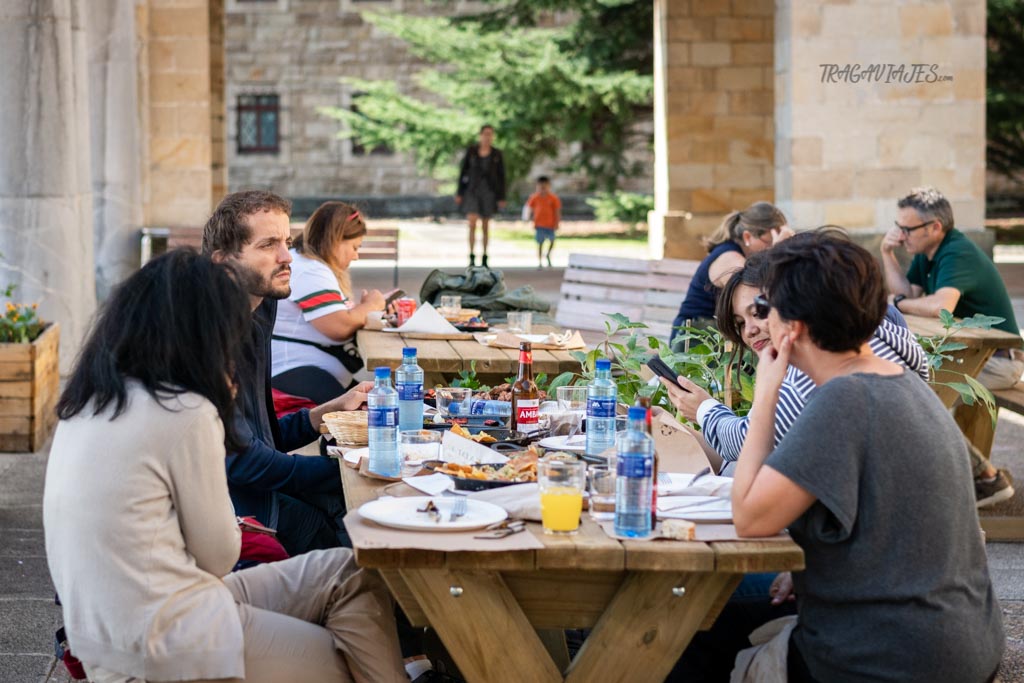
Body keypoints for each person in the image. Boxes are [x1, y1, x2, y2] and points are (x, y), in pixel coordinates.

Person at [44, 250, 407, 683]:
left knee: (347, 571)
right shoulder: (184, 410)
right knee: (348, 658)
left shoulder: (88, 403)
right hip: (166, 638)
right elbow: (219, 554)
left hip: (108, 630)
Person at [729, 233, 1003, 682]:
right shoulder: (896, 377)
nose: (759, 323)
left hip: (887, 660)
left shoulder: (843, 401)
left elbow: (749, 517)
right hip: (962, 644)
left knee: (687, 629)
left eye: (765, 310)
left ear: (792, 327)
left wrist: (765, 394)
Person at [203, 190, 368, 555]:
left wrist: (322, 415)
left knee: (355, 515)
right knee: (348, 534)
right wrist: (344, 473)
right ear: (223, 261)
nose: (285, 257)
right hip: (236, 514)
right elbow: (242, 462)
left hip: (258, 491)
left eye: (287, 242)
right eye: (268, 245)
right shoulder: (209, 333)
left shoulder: (259, 308)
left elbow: (260, 435)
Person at [665, 243, 928, 467]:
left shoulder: (826, 380)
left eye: (760, 311)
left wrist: (707, 408)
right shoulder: (882, 337)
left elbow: (749, 484)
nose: (751, 331)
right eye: (740, 323)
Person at [882, 186, 1023, 391]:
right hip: (971, 357)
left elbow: (941, 307)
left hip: (1001, 362)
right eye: (898, 227)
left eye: (907, 230)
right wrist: (887, 253)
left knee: (910, 383)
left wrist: (897, 303)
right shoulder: (927, 251)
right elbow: (908, 293)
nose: (901, 236)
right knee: (902, 373)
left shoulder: (957, 252)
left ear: (935, 227)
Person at [271, 201, 387, 403]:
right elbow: (340, 327)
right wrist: (372, 305)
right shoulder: (310, 270)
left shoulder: (307, 264)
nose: (356, 256)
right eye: (354, 247)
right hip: (296, 373)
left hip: (305, 372)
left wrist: (361, 309)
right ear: (336, 240)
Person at [669, 201, 791, 346]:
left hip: (714, 337)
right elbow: (765, 296)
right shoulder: (731, 259)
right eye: (770, 241)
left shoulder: (733, 252)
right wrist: (780, 254)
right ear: (747, 237)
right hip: (696, 342)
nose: (771, 248)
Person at [455, 124, 506, 268]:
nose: (487, 137)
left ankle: (484, 256)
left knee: (485, 226)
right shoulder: (472, 152)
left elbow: (502, 177)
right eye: (485, 134)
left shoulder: (496, 154)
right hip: (472, 191)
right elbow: (463, 172)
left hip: (489, 193)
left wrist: (501, 197)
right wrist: (460, 192)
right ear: (481, 135)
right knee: (471, 224)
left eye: (490, 134)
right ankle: (471, 255)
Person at [525, 175, 561, 268]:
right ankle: (540, 261)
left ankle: (548, 255)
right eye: (540, 187)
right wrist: (527, 218)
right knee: (540, 243)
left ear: (548, 186)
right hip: (539, 224)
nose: (542, 189)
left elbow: (557, 211)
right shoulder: (534, 197)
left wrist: (557, 223)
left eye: (544, 187)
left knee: (552, 241)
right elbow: (529, 208)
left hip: (550, 224)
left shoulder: (553, 198)